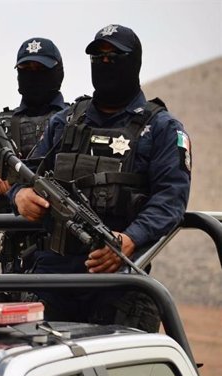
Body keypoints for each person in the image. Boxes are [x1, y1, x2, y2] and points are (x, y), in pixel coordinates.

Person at [10, 24, 192, 332]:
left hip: (117, 279)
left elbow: (171, 199)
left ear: (133, 62)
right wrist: (19, 196)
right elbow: (27, 173)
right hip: (52, 278)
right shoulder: (65, 122)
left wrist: (130, 239)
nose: (104, 63)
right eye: (98, 56)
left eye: (113, 56)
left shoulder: (160, 129)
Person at [0, 37, 67, 300]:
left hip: (68, 261)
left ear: (57, 73)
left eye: (40, 70)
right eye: (25, 70)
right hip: (15, 264)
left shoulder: (75, 122)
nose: (32, 77)